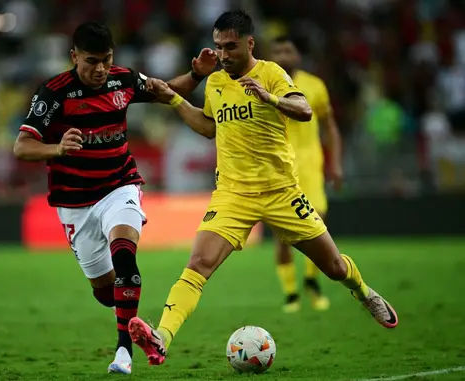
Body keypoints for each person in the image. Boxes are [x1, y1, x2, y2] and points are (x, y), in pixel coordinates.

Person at [127, 10, 398, 366]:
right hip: (233, 195)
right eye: (219, 46)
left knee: (333, 266)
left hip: (281, 192)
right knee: (198, 263)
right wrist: (176, 101)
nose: (223, 54)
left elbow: (303, 109)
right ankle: (161, 336)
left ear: (249, 43)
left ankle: (363, 292)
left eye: (231, 46)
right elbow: (210, 128)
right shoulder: (216, 83)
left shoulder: (271, 73)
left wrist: (271, 99)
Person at [13, 21, 217, 374]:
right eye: (92, 61)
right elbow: (22, 146)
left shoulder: (121, 79)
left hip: (118, 185)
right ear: (74, 56)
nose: (100, 69)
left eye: (106, 59)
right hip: (74, 202)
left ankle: (125, 350)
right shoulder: (53, 93)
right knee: (107, 292)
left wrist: (195, 75)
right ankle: (131, 321)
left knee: (125, 255)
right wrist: (58, 148)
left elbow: (164, 91)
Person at [268, 35, 343, 313]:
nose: (283, 55)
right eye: (278, 51)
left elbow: (330, 126)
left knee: (318, 222)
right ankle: (291, 293)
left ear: (297, 55)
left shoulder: (314, 85)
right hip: (279, 167)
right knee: (283, 235)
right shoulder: (263, 84)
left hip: (311, 164)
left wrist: (335, 162)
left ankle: (311, 280)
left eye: (288, 49)